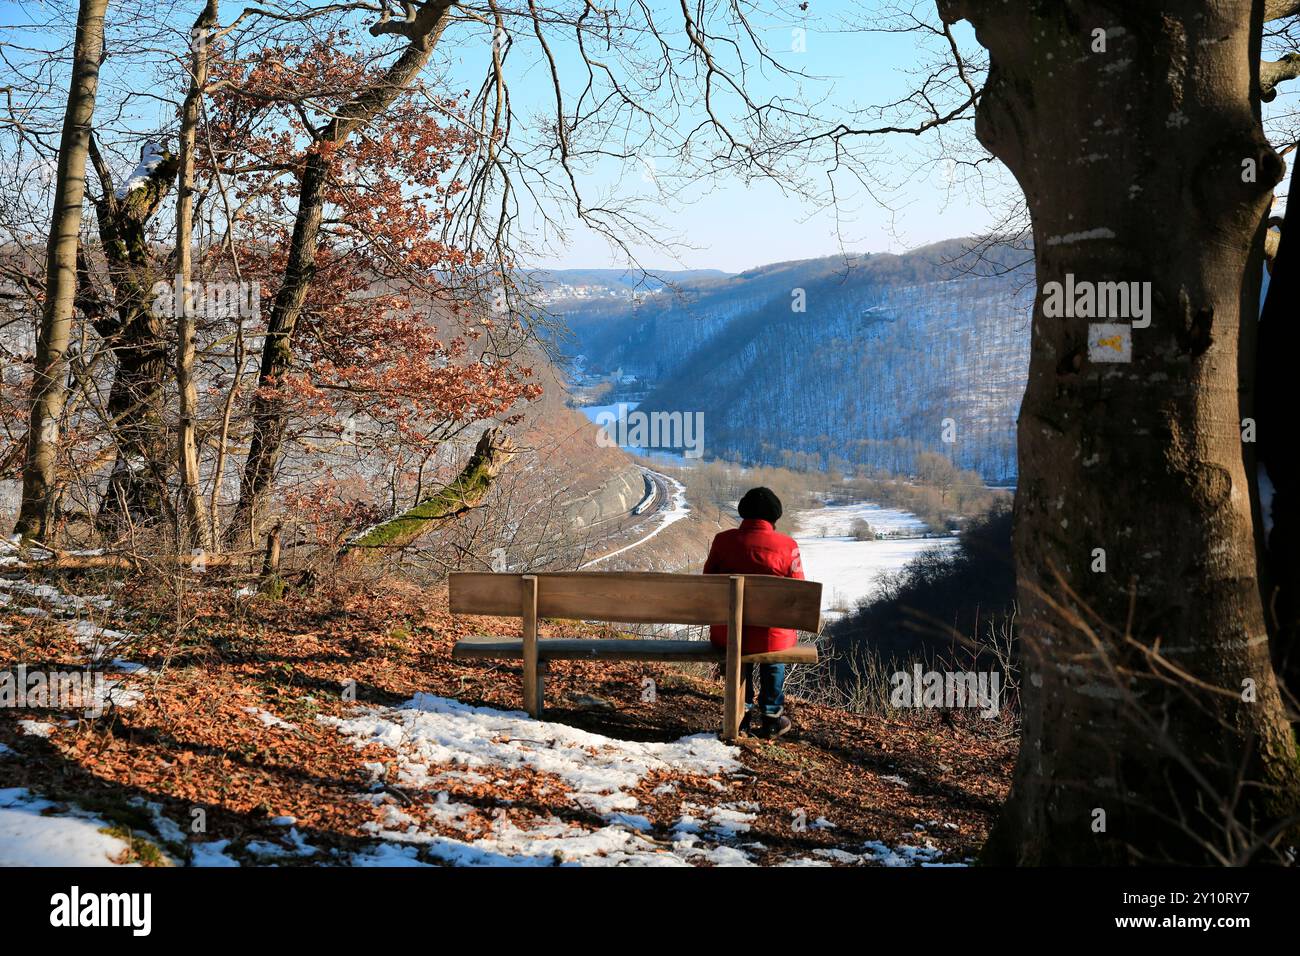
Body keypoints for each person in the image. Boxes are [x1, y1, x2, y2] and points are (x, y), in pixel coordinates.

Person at [702, 486, 804, 739]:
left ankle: (742, 714)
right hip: (771, 635)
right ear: (774, 516)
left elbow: (708, 583)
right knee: (774, 646)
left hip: (728, 634)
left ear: (744, 512)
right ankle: (771, 716)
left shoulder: (722, 541)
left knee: (741, 646)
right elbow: (799, 592)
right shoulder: (787, 545)